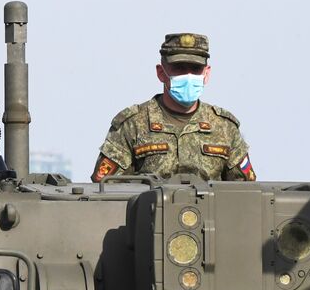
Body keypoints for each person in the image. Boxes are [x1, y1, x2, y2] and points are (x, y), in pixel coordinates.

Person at [92, 32, 255, 182]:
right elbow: (106, 188)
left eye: (195, 69)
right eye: (179, 68)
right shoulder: (132, 125)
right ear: (161, 72)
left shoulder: (225, 127)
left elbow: (246, 191)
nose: (188, 75)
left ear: (206, 73)